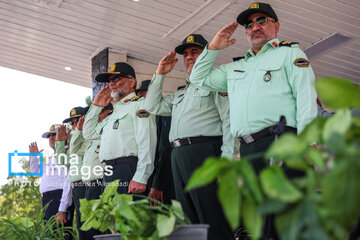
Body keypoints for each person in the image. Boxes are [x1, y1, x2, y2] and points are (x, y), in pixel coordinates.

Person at [189, 3, 317, 239]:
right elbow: (198, 77)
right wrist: (213, 47)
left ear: (276, 25)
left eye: (262, 20)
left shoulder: (291, 54)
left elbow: (306, 99)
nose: (254, 27)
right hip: (248, 149)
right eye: (249, 24)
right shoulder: (236, 67)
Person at [145, 34, 234, 240]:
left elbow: (229, 122)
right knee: (188, 218)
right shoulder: (181, 93)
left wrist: (227, 162)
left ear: (206, 54)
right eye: (186, 54)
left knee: (211, 216)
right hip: (179, 155)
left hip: (204, 152)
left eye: (195, 52)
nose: (189, 57)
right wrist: (160, 74)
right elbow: (152, 106)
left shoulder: (216, 83)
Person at [83, 62, 157, 195]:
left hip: (128, 170)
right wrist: (96, 106)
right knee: (112, 216)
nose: (111, 83)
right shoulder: (114, 112)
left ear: (131, 82)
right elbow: (88, 133)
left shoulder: (139, 105)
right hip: (108, 172)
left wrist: (141, 176)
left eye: (116, 79)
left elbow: (147, 142)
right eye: (110, 80)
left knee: (129, 215)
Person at [70, 104, 112, 239]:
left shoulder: (108, 130)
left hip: (102, 184)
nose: (93, 117)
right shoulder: (91, 139)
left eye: (97, 113)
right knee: (90, 230)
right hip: (89, 187)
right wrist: (79, 129)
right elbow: (74, 150)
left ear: (107, 112)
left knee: (105, 228)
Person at [29, 124, 74, 240]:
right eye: (49, 136)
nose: (51, 137)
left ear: (64, 135)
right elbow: (35, 172)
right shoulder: (51, 159)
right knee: (50, 236)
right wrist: (34, 156)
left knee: (61, 236)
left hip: (59, 200)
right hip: (47, 201)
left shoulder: (67, 155)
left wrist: (62, 209)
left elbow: (68, 182)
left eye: (54, 134)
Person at [135, 79, 175, 205]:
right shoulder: (143, 118)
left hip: (164, 179)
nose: (141, 97)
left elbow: (165, 149)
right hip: (148, 178)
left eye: (144, 93)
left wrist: (158, 184)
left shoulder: (165, 114)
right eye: (139, 94)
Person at [56, 106, 87, 240]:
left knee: (90, 226)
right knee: (81, 228)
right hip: (76, 187)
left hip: (89, 184)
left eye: (77, 120)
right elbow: (63, 162)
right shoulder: (72, 140)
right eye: (71, 122)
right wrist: (60, 142)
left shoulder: (88, 136)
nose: (74, 125)